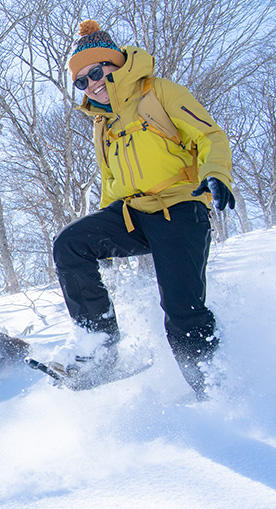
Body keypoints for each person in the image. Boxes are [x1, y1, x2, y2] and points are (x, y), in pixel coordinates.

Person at [52, 20, 234, 400]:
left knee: (182, 311)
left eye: (96, 73)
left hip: (181, 209)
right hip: (134, 213)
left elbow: (210, 135)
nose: (91, 85)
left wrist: (216, 175)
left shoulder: (159, 93)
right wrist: (102, 230)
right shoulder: (102, 123)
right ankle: (100, 345)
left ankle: (213, 392)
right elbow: (110, 184)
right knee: (70, 244)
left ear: (116, 65)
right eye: (81, 82)